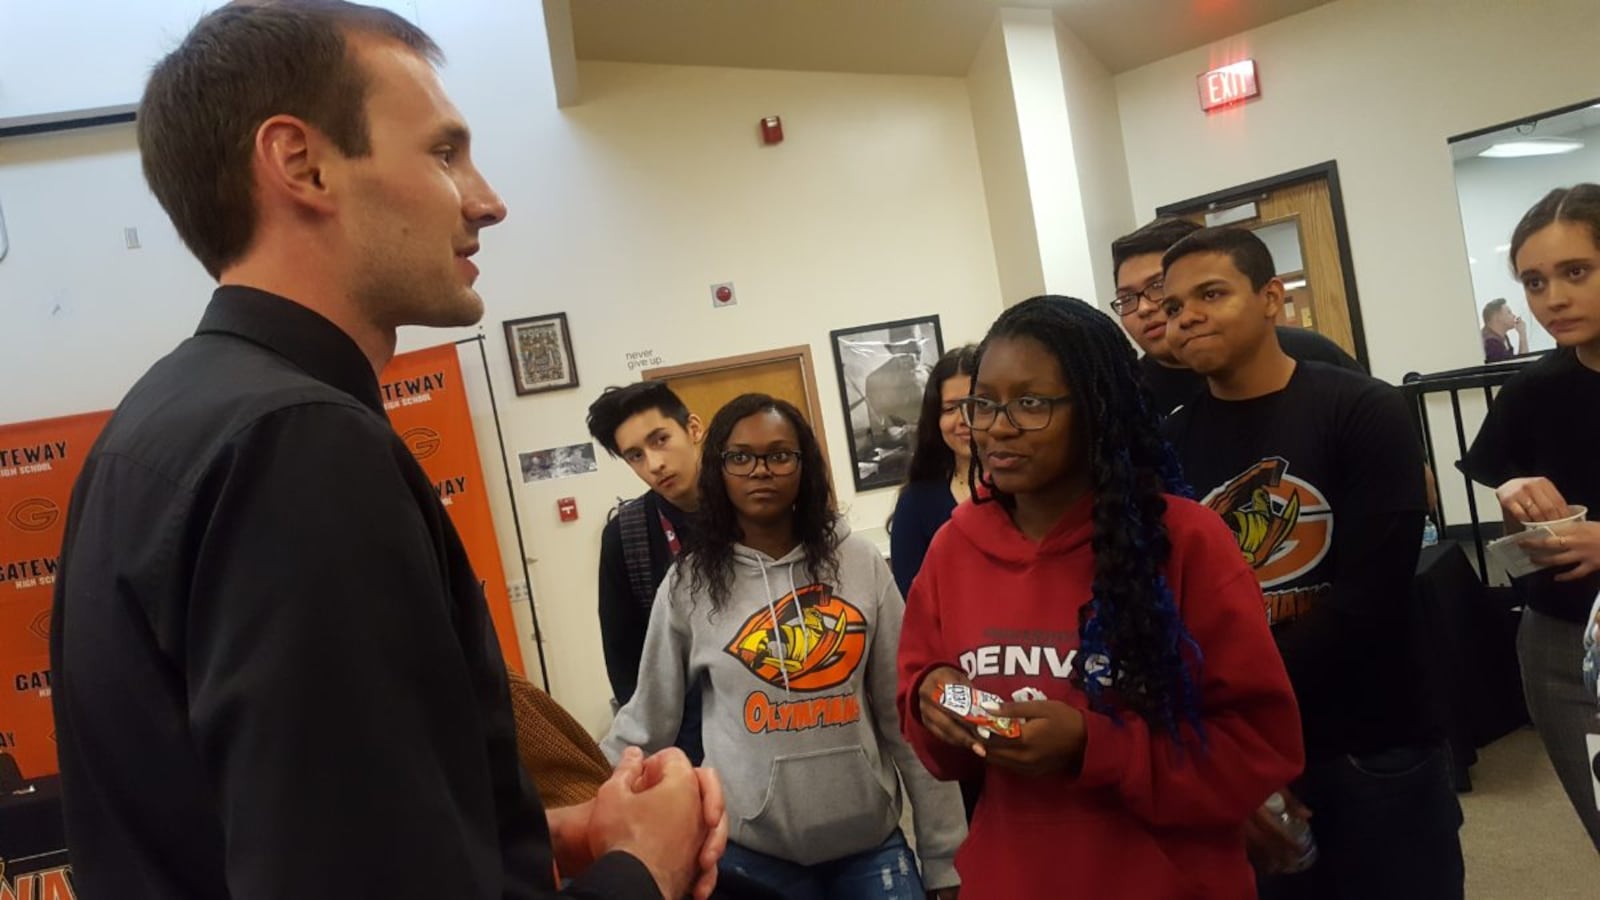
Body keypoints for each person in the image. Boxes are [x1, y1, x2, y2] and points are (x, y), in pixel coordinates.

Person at [48, 4, 723, 898]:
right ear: (302, 164)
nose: (487, 199)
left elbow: (286, 839)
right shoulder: (297, 448)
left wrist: (539, 835)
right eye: (444, 153)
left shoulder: (158, 427)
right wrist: (647, 866)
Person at [897, 295, 1304, 899]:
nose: (997, 427)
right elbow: (930, 717)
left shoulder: (1185, 541)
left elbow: (1259, 748)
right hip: (1011, 877)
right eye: (983, 404)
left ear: (1096, 410)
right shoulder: (954, 547)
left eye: (1031, 404)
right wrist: (936, 699)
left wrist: (1094, 746)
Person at [1159, 227, 1464, 898]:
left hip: (1372, 742)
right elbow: (1173, 606)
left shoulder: (1363, 408)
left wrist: (1250, 712)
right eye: (1175, 307)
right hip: (1242, 753)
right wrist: (1228, 753)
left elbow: (1370, 599)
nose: (1188, 317)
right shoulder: (1169, 443)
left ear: (1273, 299)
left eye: (1211, 294)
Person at [602, 394, 967, 900]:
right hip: (750, 855)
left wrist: (946, 860)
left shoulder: (859, 564)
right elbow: (647, 720)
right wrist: (578, 796)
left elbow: (906, 718)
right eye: (740, 457)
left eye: (779, 455)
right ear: (719, 468)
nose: (760, 471)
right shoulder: (688, 584)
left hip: (870, 846)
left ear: (803, 466)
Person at [1461, 184, 1600, 850]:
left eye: (1576, 272)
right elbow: (1513, 519)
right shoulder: (1533, 392)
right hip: (1564, 648)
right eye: (1534, 281)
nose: (1553, 299)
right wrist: (1514, 494)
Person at [1111, 216, 1364, 416]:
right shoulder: (1125, 397)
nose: (1144, 309)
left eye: (1157, 286)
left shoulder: (1308, 354)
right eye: (1127, 298)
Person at [587, 380, 707, 762]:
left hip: (761, 716)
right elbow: (624, 660)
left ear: (693, 429)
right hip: (683, 737)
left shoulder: (751, 508)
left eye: (660, 440)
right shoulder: (626, 536)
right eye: (635, 455)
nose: (654, 464)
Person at [889, 345, 978, 598]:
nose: (963, 419)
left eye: (974, 405)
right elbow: (914, 603)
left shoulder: (1028, 491)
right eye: (950, 409)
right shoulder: (915, 503)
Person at [1481, 297, 1529, 363]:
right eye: (1509, 312)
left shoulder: (1502, 337)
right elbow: (1519, 365)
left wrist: (1522, 333)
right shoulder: (1491, 344)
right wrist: (1522, 334)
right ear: (1497, 317)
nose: (1514, 316)